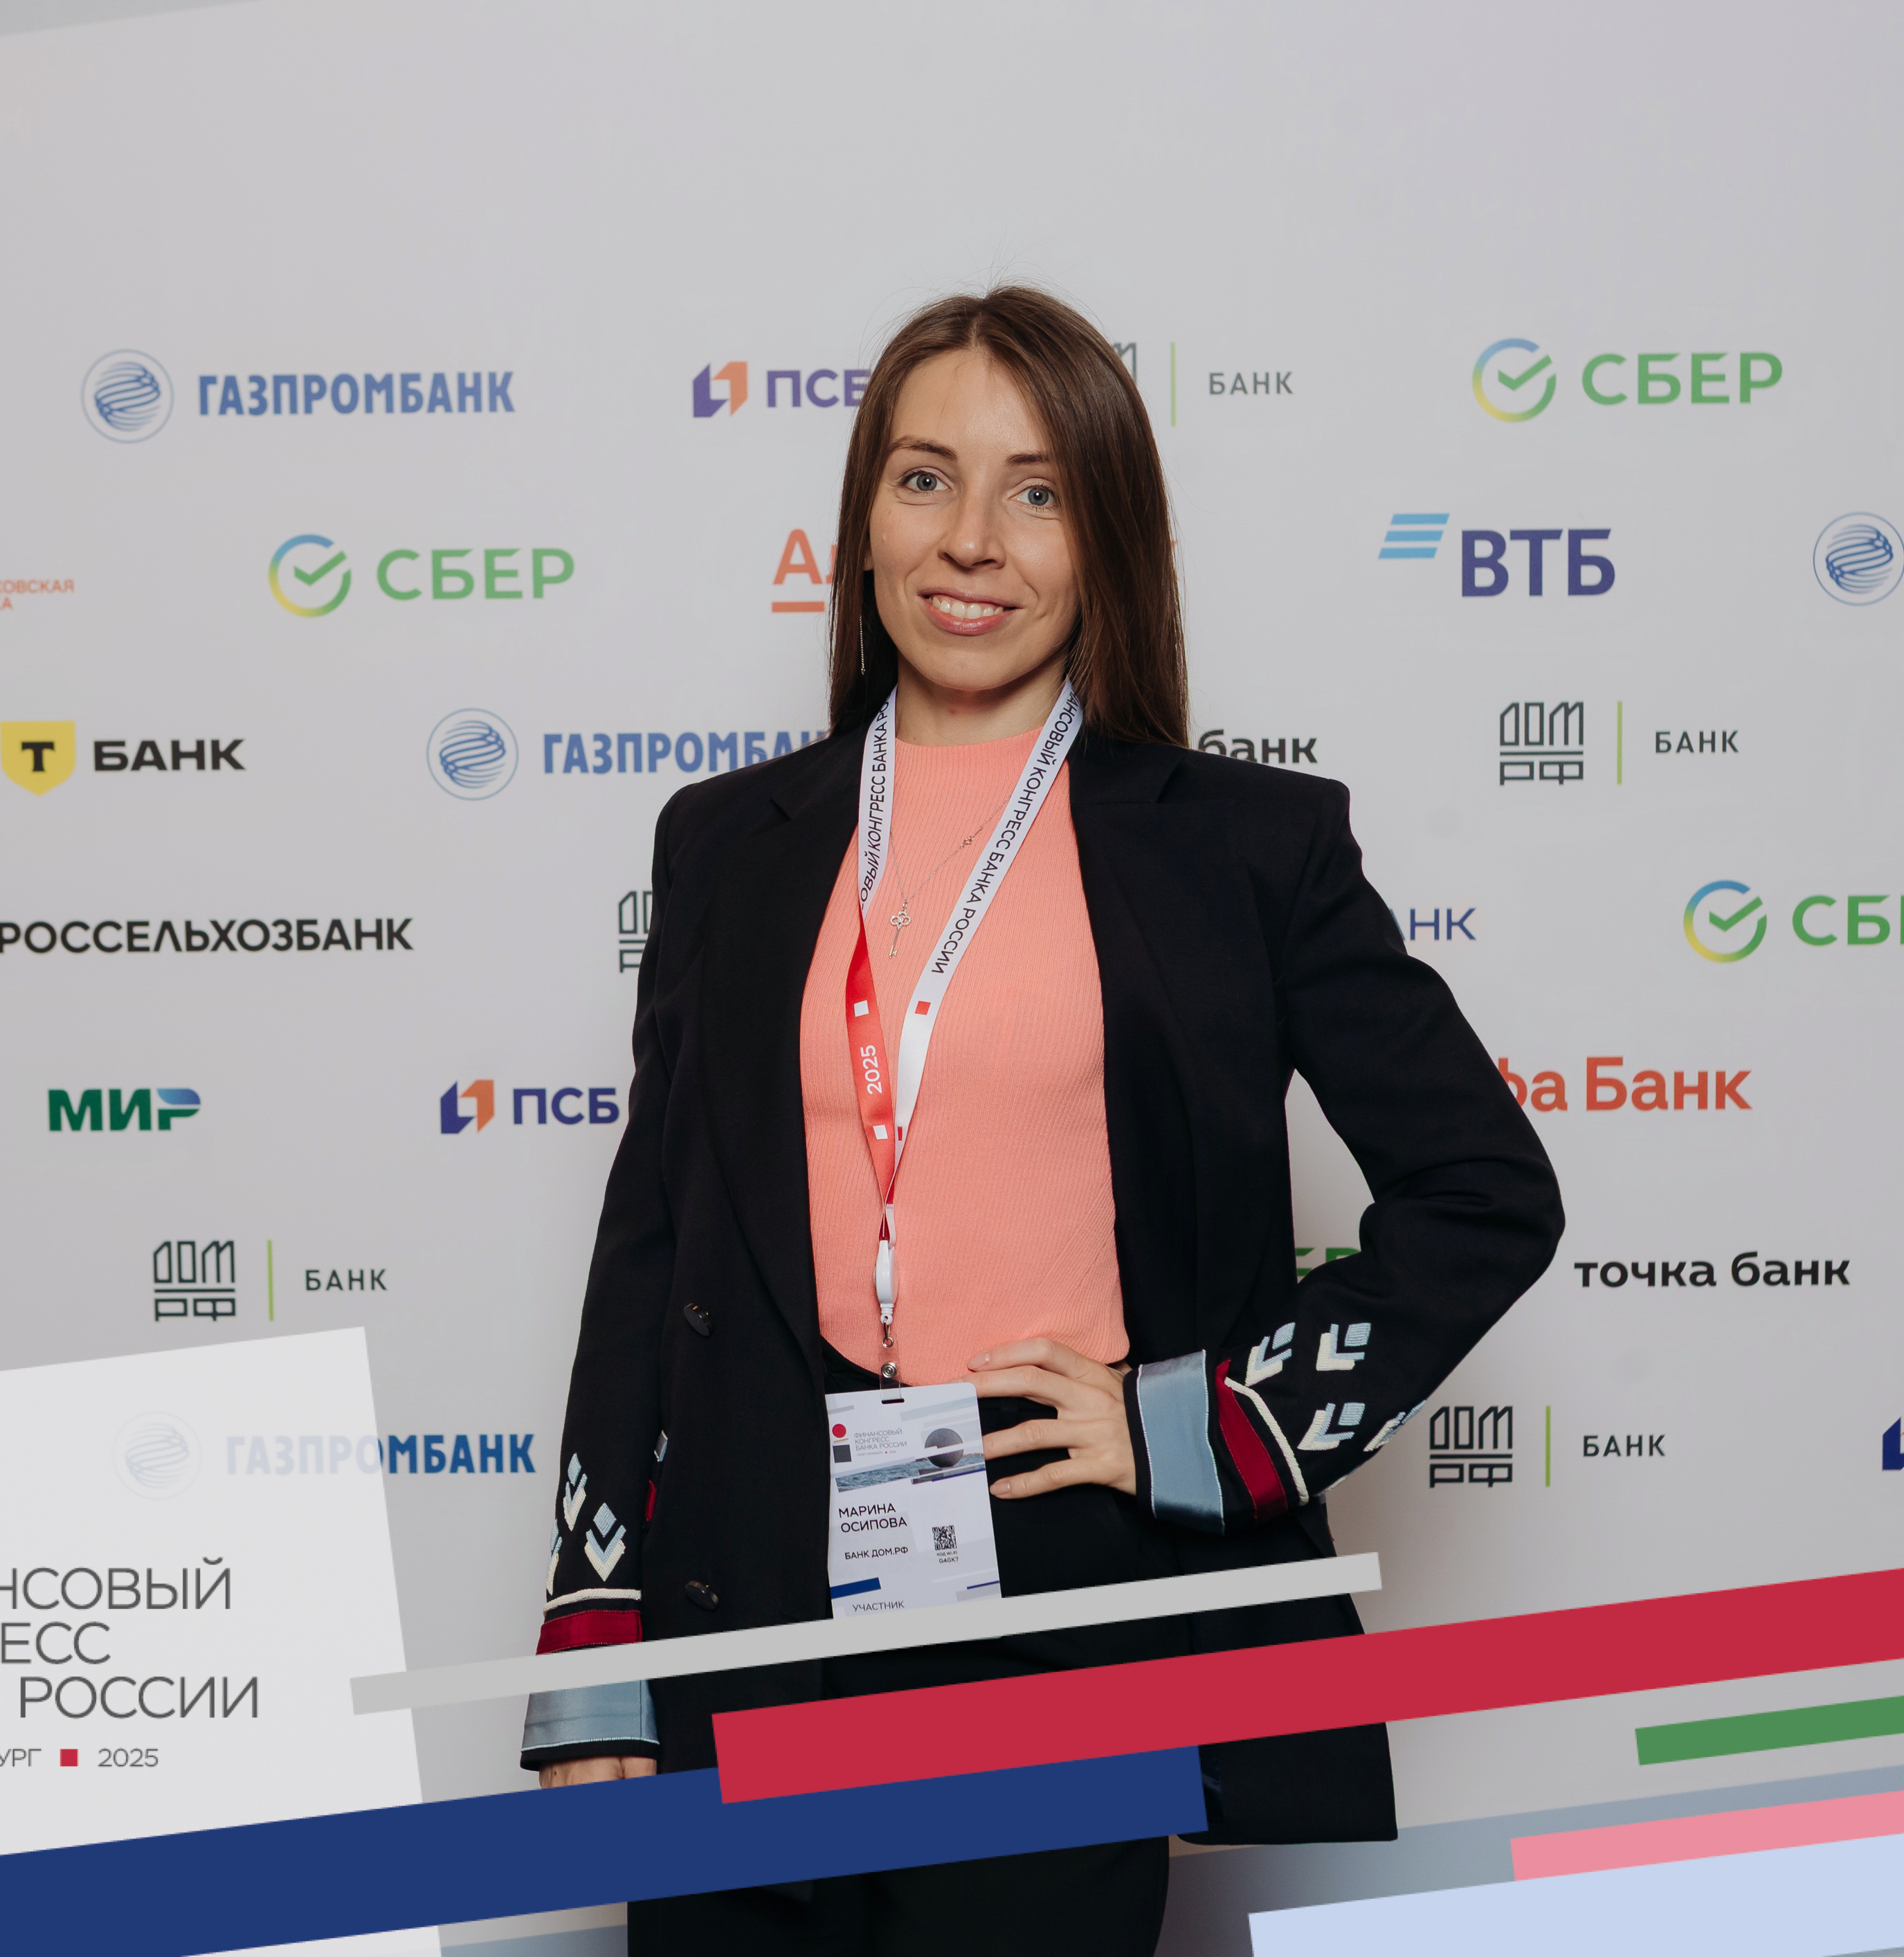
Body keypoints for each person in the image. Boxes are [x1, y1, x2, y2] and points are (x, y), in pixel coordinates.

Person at [519, 286, 1562, 1956]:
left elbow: (1484, 1190)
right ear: (864, 516)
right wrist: (593, 1634)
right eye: (925, 478)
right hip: (750, 1606)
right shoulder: (725, 841)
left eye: (1039, 491)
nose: (972, 541)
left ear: (1108, 539)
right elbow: (649, 1247)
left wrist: (1211, 1424)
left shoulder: (1244, 849)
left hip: (1069, 1616)